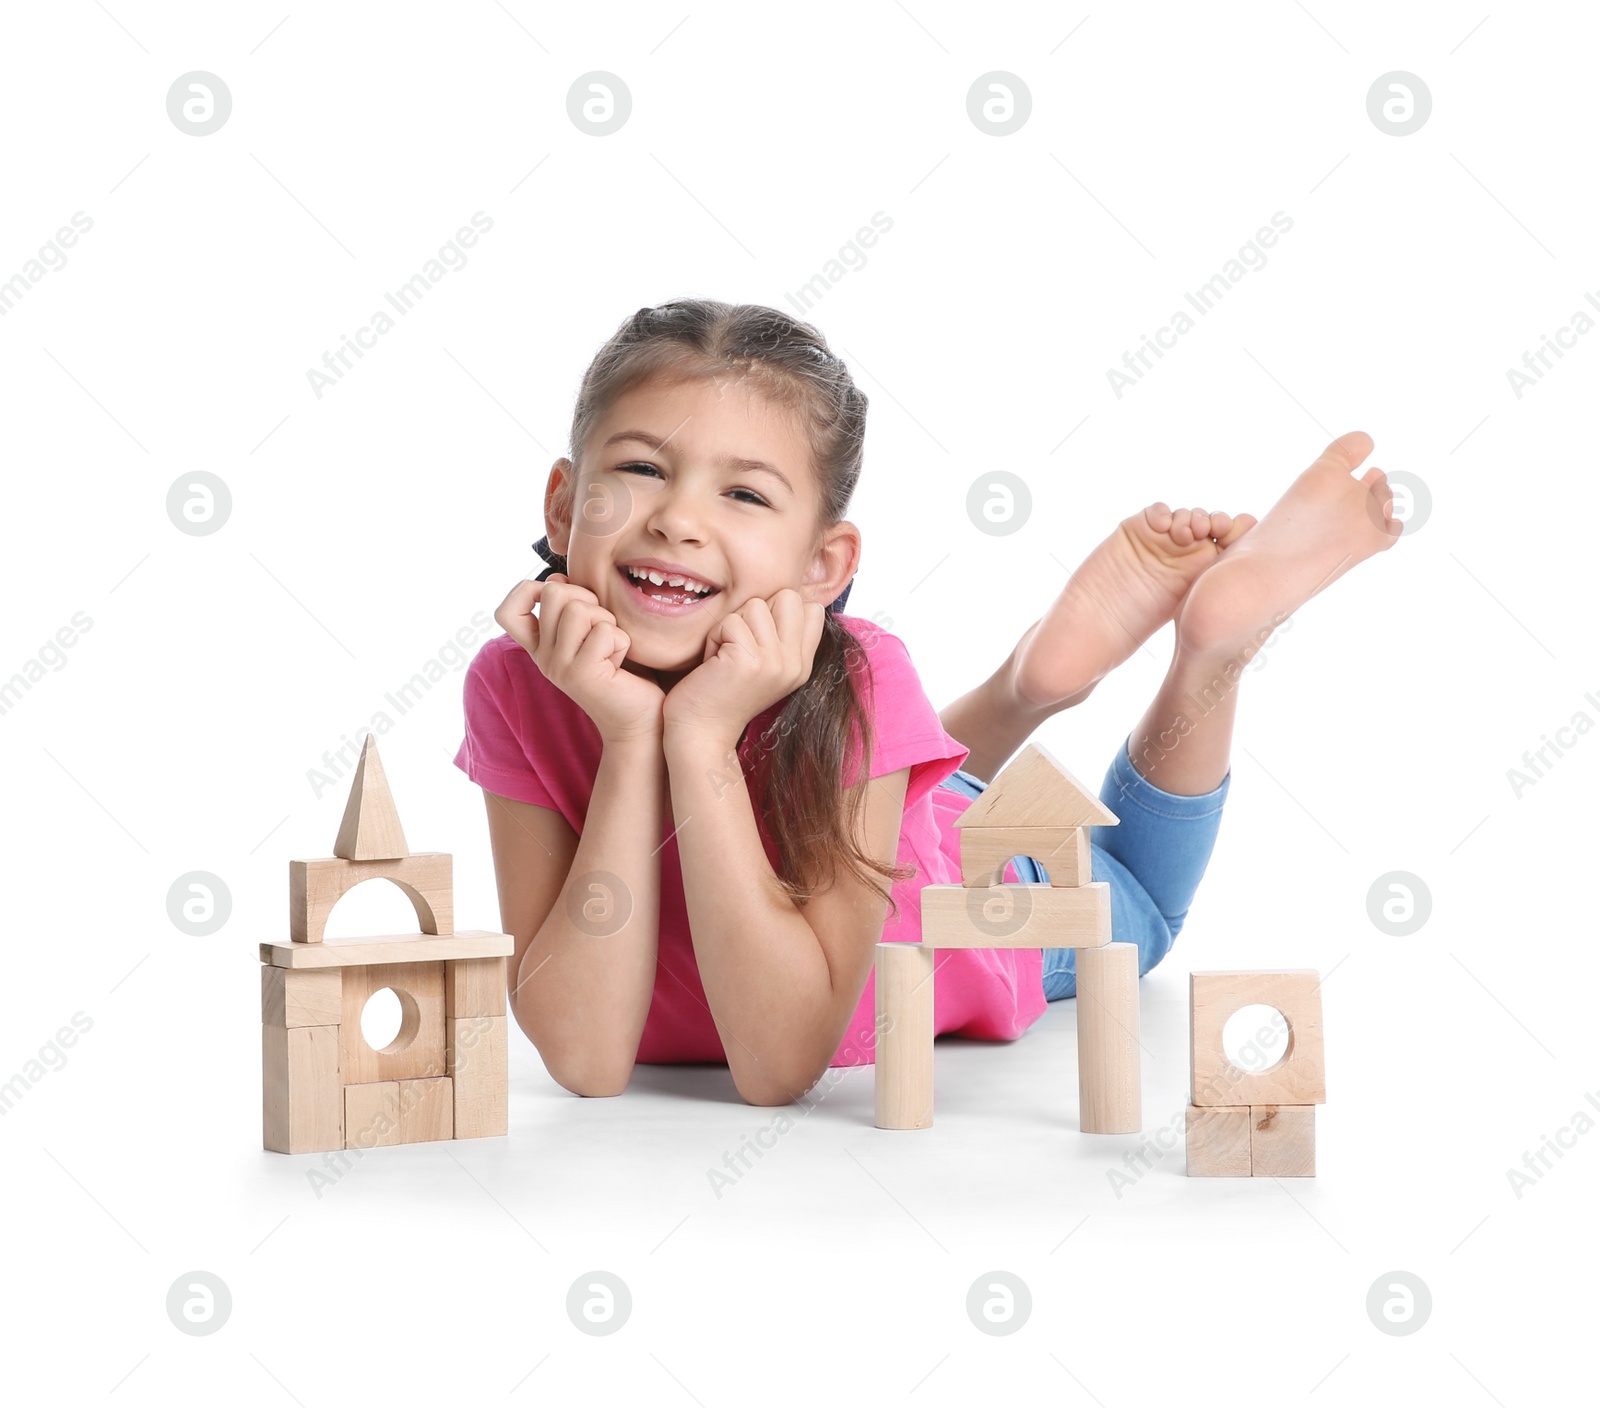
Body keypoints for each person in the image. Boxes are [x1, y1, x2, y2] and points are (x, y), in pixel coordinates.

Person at [452, 298, 1400, 1106]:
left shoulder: (859, 673)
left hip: (968, 897)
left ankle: (1209, 655)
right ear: (563, 506)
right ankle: (1028, 686)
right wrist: (631, 736)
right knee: (927, 794)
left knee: (1139, 909)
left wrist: (698, 736)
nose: (677, 518)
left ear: (824, 566)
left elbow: (778, 1063)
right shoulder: (516, 680)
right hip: (888, 817)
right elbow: (582, 1057)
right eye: (643, 470)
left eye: (743, 493)